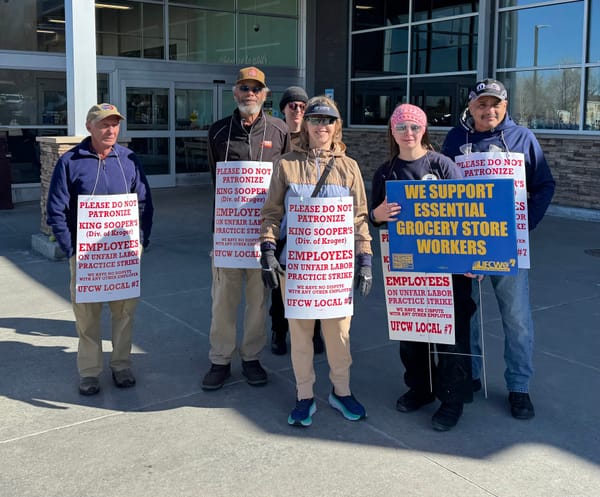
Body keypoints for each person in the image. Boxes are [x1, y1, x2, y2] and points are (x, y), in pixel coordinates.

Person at [442, 78, 555, 420]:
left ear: (505, 106)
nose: (488, 110)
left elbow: (544, 184)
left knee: (516, 317)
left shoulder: (523, 138)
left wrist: (527, 222)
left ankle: (519, 386)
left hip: (510, 245)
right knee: (469, 316)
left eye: (496, 104)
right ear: (471, 107)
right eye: (482, 104)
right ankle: (473, 375)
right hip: (467, 244)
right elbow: (441, 185)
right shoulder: (455, 139)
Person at [260, 96, 373, 427]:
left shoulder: (349, 167)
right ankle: (304, 395)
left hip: (335, 270)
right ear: (305, 124)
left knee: (338, 336)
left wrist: (365, 258)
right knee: (301, 335)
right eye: (315, 119)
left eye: (328, 120)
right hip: (295, 268)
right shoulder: (286, 164)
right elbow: (271, 213)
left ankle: (341, 391)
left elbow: (359, 218)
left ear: (336, 126)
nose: (321, 126)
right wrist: (267, 249)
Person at [369, 103, 476, 431]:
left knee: (450, 338)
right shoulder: (385, 172)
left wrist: (471, 260)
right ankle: (420, 389)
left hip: (448, 270)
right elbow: (373, 217)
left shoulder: (442, 165)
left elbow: (467, 214)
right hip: (407, 270)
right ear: (392, 131)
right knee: (412, 337)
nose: (408, 133)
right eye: (401, 127)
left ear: (424, 130)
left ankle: (451, 399)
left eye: (414, 127)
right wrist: (377, 216)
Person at [46, 103, 154, 396]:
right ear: (89, 126)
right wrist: (71, 250)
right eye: (104, 124)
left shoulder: (129, 159)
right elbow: (56, 210)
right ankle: (90, 372)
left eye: (115, 124)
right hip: (86, 257)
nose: (110, 130)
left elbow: (143, 202)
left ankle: (121, 365)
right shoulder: (71, 161)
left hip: (123, 256)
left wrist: (141, 240)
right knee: (88, 318)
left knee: (124, 314)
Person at [202, 66, 290, 390]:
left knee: (258, 301)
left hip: (262, 235)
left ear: (265, 95)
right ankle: (220, 359)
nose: (249, 93)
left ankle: (252, 357)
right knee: (223, 299)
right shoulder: (218, 131)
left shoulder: (279, 131)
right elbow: (216, 179)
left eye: (256, 88)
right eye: (244, 88)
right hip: (228, 233)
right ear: (235, 92)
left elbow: (283, 182)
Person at [269, 85, 324, 356]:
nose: (298, 110)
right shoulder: (274, 136)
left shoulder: (315, 136)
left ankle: (314, 333)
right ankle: (279, 331)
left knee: (313, 283)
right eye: (293, 105)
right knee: (281, 286)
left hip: (313, 225)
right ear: (283, 108)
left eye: (302, 106)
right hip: (283, 224)